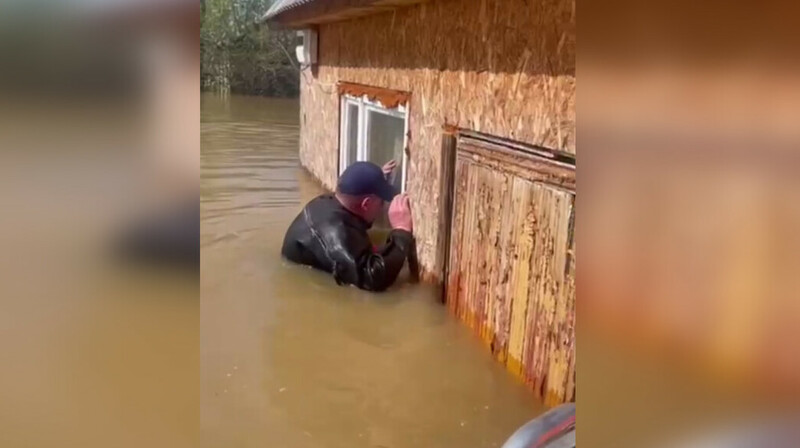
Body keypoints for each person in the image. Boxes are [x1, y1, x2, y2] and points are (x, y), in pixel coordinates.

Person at [281, 160, 414, 292]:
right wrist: (401, 231)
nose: (383, 208)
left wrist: (375, 178)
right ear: (366, 204)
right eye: (381, 202)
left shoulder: (330, 202)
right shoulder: (338, 232)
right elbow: (372, 278)